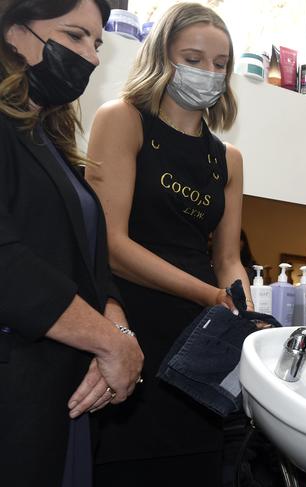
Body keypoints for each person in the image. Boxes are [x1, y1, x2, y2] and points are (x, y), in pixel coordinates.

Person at [85, 3, 251, 485]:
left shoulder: (229, 160)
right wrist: (209, 296)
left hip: (198, 343)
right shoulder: (123, 120)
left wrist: (241, 306)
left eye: (220, 65)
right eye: (194, 59)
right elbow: (111, 244)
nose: (209, 73)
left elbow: (226, 258)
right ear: (162, 56)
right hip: (129, 325)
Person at [0, 1, 144, 485]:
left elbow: (90, 266)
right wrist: (110, 344)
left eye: (97, 43)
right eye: (74, 36)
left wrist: (117, 331)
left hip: (63, 395)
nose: (92, 57)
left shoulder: (48, 142)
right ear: (15, 32)